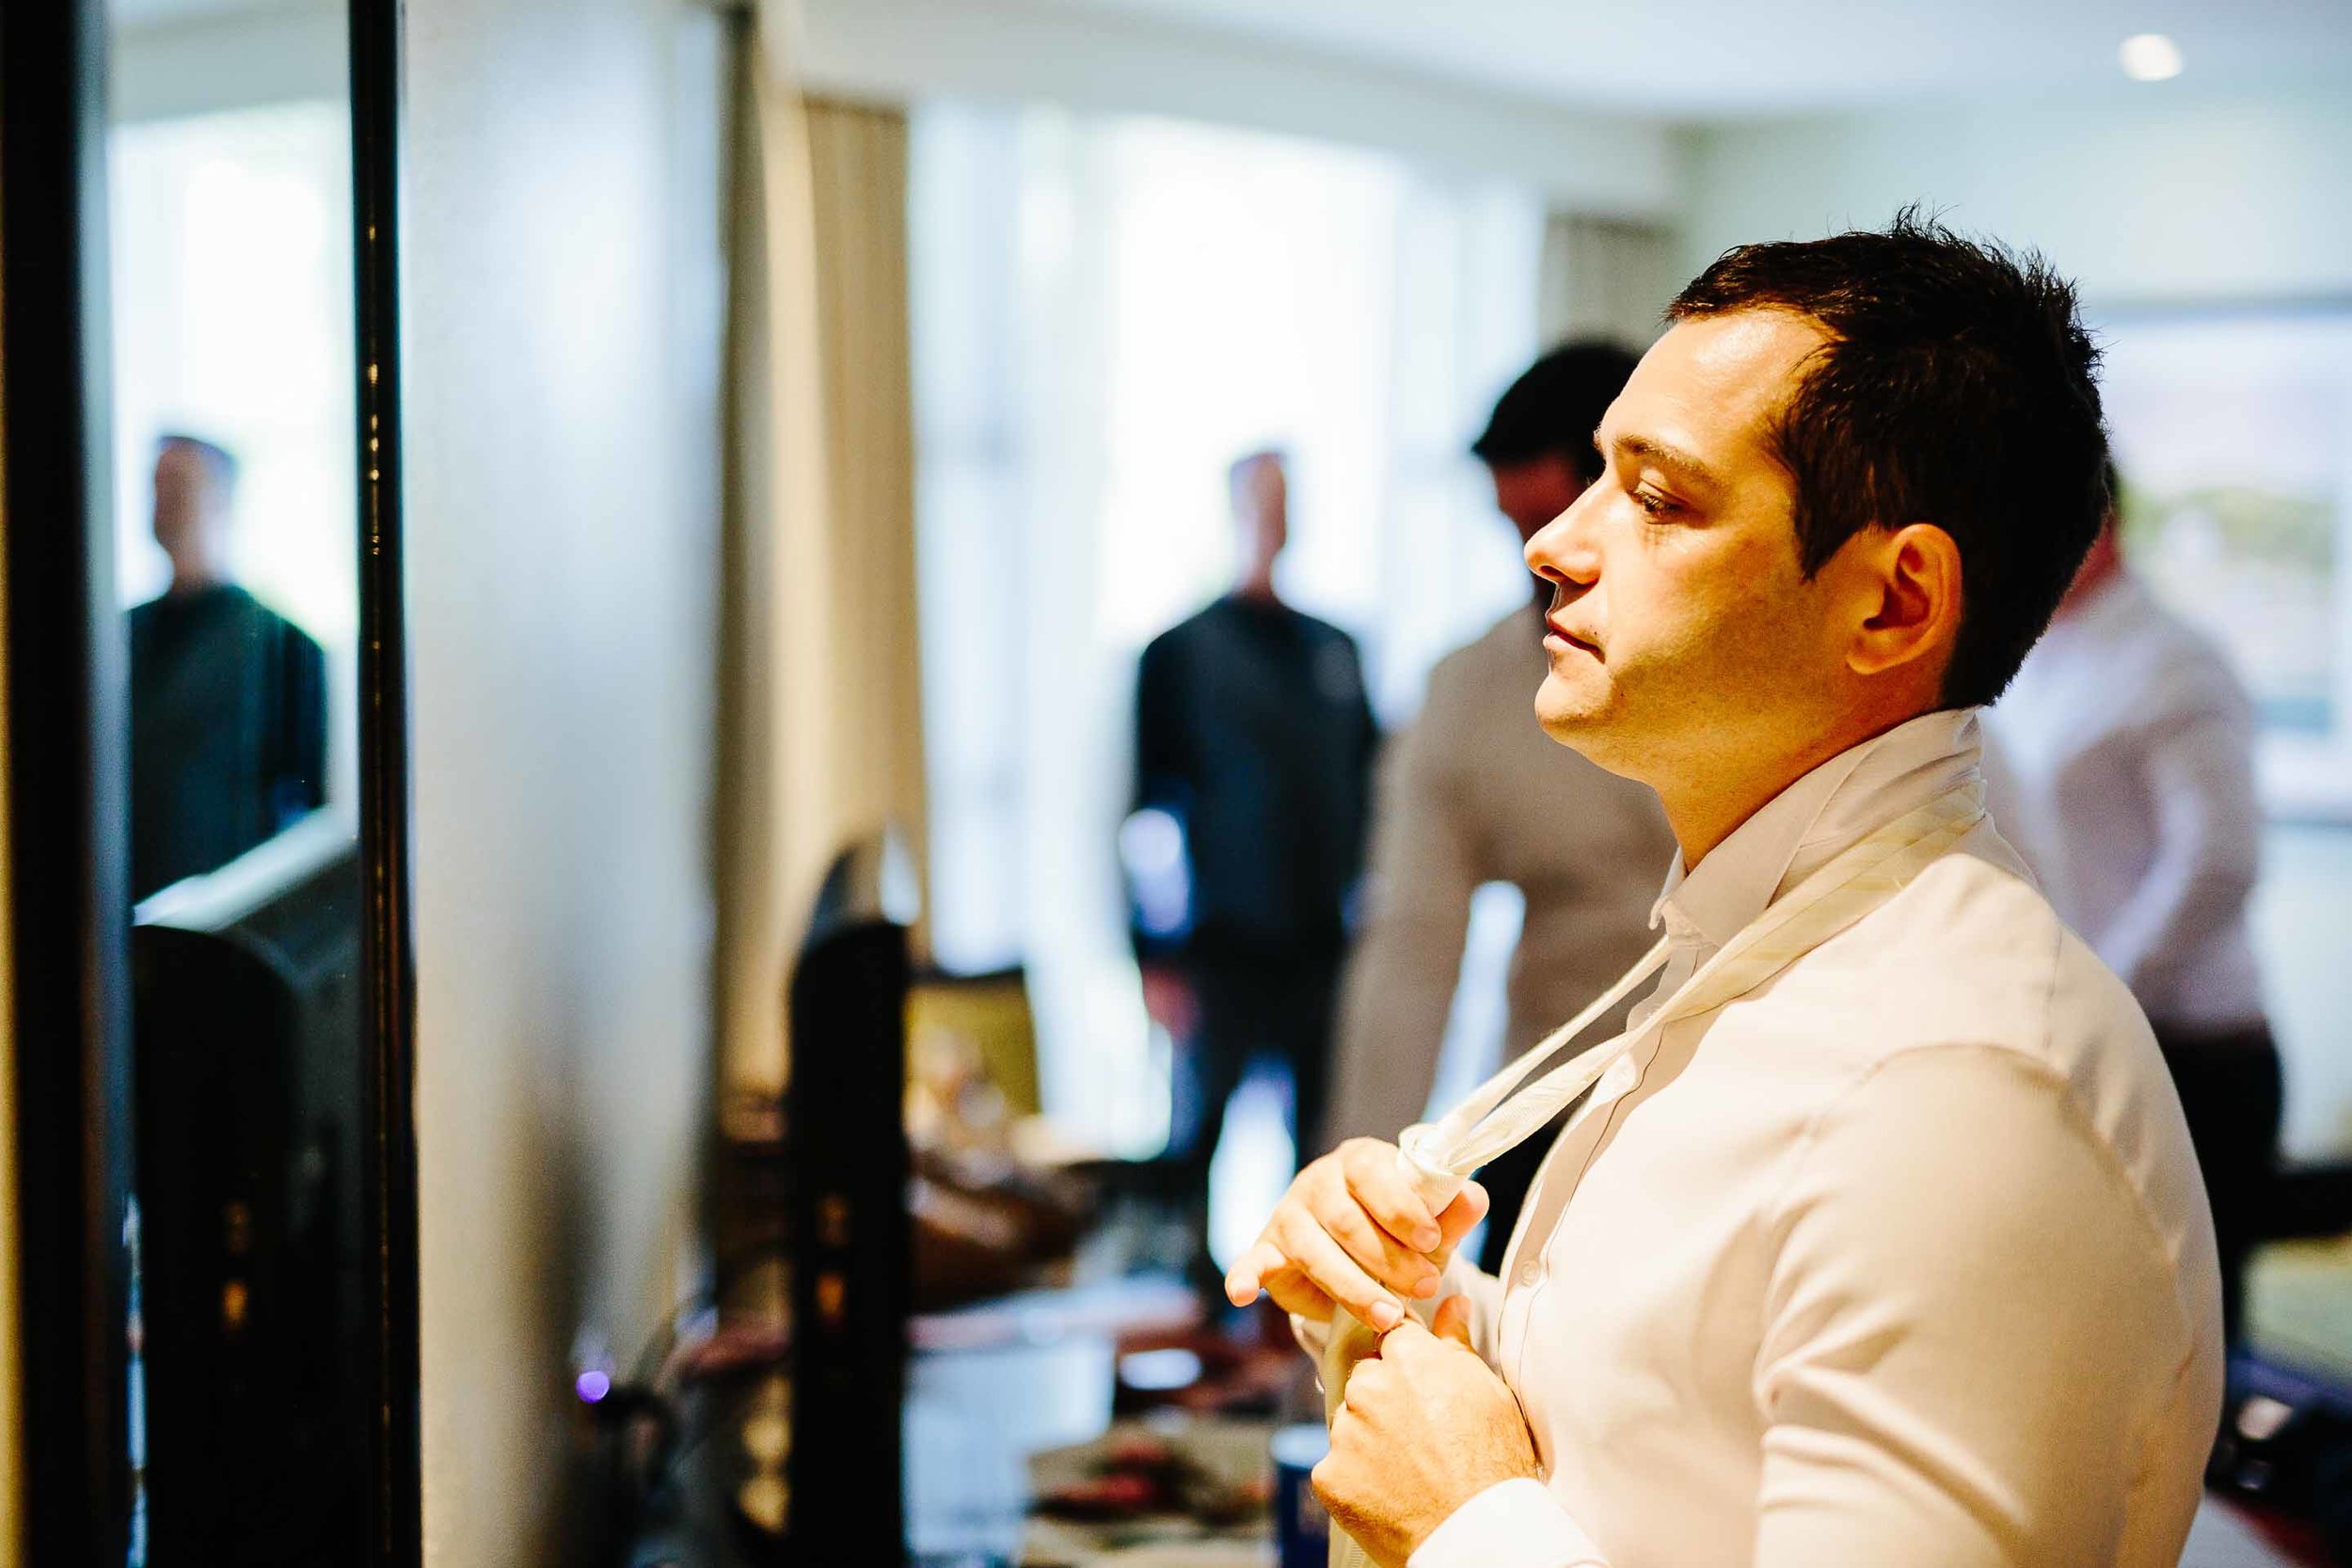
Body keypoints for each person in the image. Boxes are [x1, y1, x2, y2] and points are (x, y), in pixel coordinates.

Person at [1226, 214, 2222, 1567]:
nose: (1556, 551)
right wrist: (1426, 1319)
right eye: (1588, 483)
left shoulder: (1959, 1083)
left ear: (1891, 603)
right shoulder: (1743, 951)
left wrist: (1464, 1518)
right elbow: (1669, 1447)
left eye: (1657, 498)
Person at [1326, 343, 1677, 1271]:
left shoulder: (1779, 669)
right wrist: (1357, 1206)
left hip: (1750, 1116)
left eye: (1563, 518)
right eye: (1515, 527)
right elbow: (1408, 954)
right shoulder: (1466, 698)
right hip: (1553, 1114)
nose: (1545, 561)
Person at [1987, 481, 2281, 1347]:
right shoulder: (2039, 655)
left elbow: (2220, 860)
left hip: (2197, 1050)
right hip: (2093, 1040)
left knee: (2188, 1335)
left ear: (2096, 524)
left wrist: (2105, 990)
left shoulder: (2174, 661)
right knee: (2107, 1329)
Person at [1127, 451, 1380, 1282]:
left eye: (1285, 502)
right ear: (1233, 510)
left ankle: (1294, 1307)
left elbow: (1376, 790)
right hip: (1218, 948)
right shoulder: (1180, 654)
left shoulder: (1335, 651)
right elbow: (1142, 815)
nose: (1273, 518)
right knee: (1195, 1141)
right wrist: (1152, 953)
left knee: (1320, 1146)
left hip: (1321, 946)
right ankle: (1191, 1303)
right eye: (1260, 501)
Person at [130, 433, 326, 900]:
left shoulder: (280, 646)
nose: (164, 503)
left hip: (225, 924)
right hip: (127, 916)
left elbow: (305, 817)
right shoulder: (116, 638)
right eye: (156, 487)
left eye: (180, 486)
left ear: (221, 500)